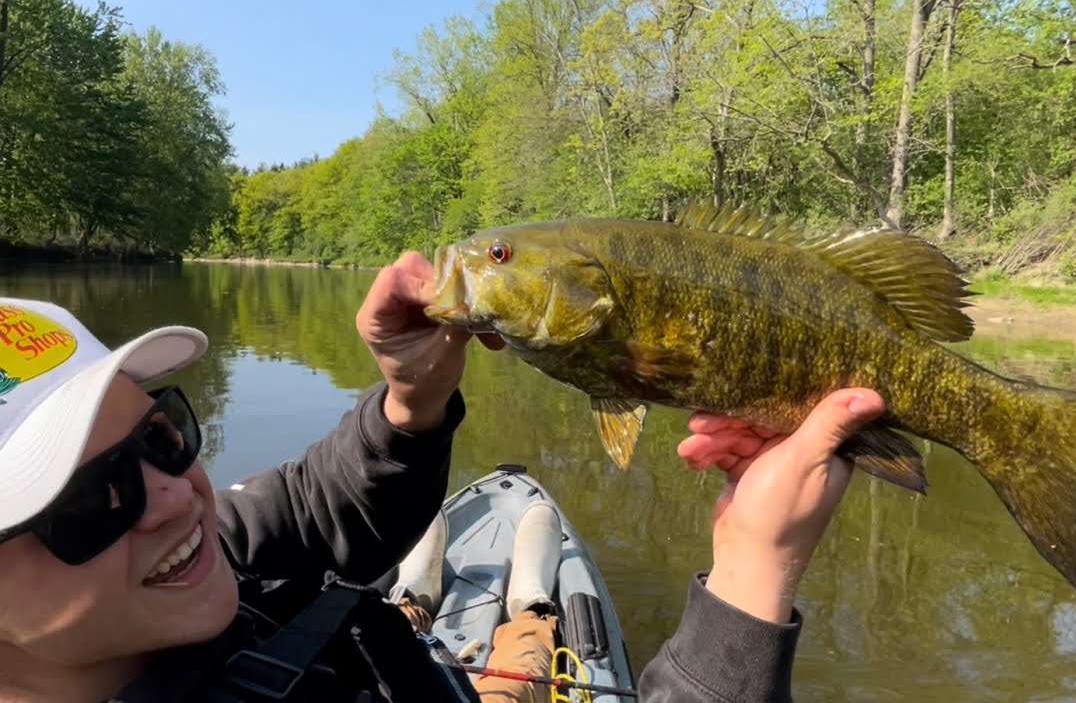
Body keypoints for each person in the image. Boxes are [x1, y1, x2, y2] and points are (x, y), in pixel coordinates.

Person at [0, 252, 886, 703]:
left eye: (164, 436)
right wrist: (751, 575)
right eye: (92, 498)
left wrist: (409, 402)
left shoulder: (184, 567)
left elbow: (309, 511)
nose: (170, 494)